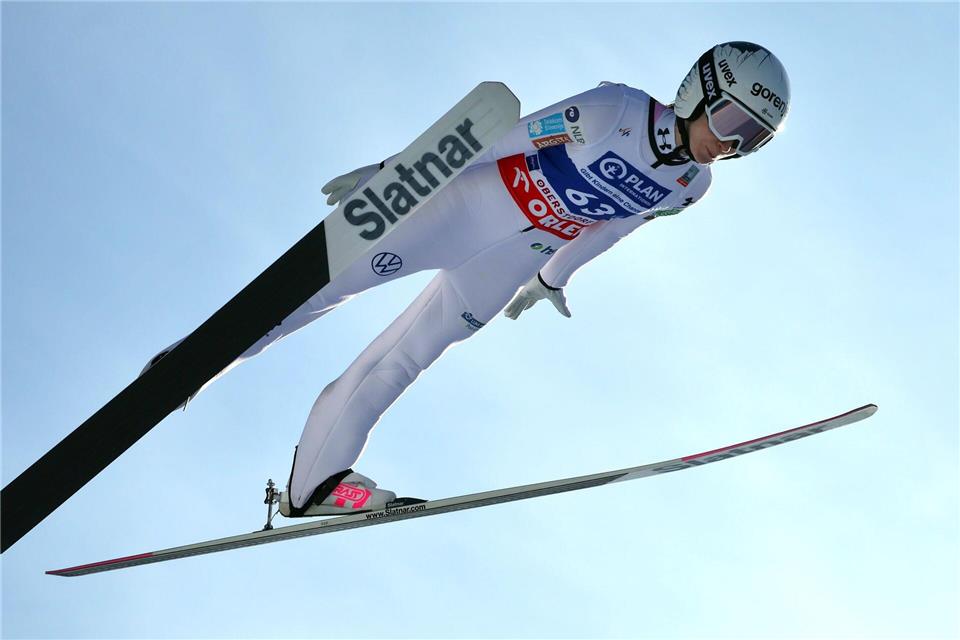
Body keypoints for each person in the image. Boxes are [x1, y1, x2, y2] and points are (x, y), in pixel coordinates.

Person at [144, 41, 791, 516]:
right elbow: (500, 140)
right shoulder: (613, 110)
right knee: (323, 288)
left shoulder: (691, 186)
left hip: (509, 261)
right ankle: (193, 363)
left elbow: (614, 228)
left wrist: (553, 278)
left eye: (749, 142)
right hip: (467, 209)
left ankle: (314, 485)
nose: (728, 148)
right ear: (699, 91)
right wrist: (391, 171)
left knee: (400, 361)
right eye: (732, 125)